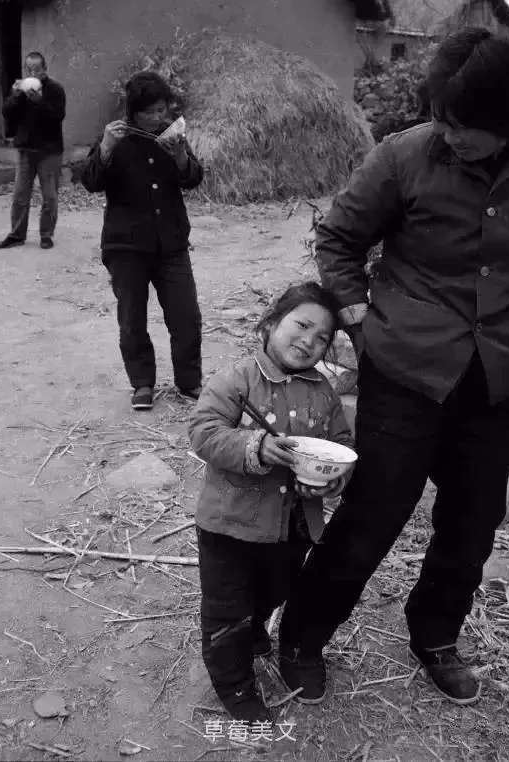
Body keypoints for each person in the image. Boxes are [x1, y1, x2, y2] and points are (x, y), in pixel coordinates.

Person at [277, 27, 509, 707]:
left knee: (472, 522)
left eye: (465, 125)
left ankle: (436, 635)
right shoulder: (404, 156)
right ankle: (303, 636)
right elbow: (339, 238)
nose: (450, 134)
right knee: (374, 513)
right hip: (406, 374)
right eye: (442, 117)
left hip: (500, 378)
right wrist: (358, 322)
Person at [189, 282, 354, 723]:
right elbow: (203, 431)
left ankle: (255, 628)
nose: (309, 341)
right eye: (301, 325)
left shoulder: (323, 391)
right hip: (229, 525)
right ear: (270, 322)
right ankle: (235, 686)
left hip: (293, 526)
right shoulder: (237, 379)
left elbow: (341, 443)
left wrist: (332, 479)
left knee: (275, 590)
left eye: (322, 337)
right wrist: (254, 446)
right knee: (227, 610)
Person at [80, 71, 203, 410]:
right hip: (126, 248)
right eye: (151, 111)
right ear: (134, 112)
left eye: (163, 109)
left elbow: (193, 178)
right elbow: (90, 181)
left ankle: (189, 382)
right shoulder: (115, 139)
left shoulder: (172, 137)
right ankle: (142, 383)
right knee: (132, 320)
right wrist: (105, 148)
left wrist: (180, 156)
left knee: (186, 317)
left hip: (171, 244)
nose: (160, 117)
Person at [0, 51, 66, 250]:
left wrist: (40, 101)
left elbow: (58, 115)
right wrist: (15, 96)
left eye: (37, 69)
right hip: (26, 149)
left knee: (50, 196)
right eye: (29, 69)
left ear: (45, 69)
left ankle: (46, 235)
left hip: (49, 151)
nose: (33, 73)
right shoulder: (22, 89)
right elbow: (6, 113)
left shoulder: (55, 89)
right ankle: (17, 234)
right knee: (20, 195)